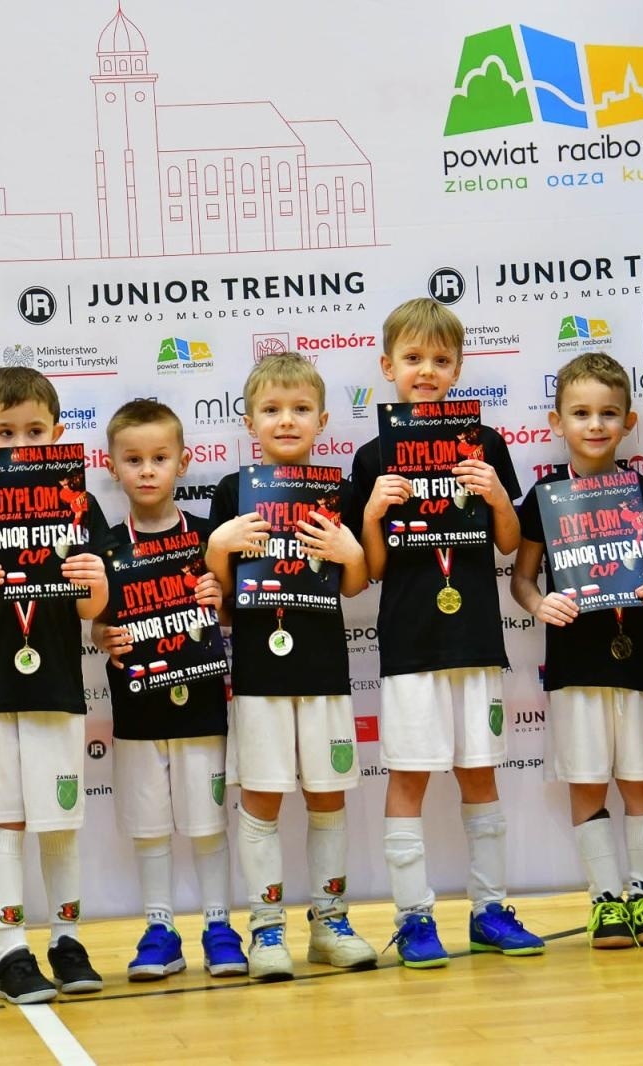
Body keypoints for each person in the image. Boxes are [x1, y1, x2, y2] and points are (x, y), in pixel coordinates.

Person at [345, 297, 544, 968]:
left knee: (480, 775)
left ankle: (489, 911)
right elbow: (368, 571)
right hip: (409, 644)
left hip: (476, 640)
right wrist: (371, 514)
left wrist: (493, 495)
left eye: (439, 360)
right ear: (387, 366)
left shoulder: (484, 445)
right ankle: (413, 918)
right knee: (407, 780)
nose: (425, 370)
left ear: (458, 368)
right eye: (412, 359)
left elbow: (509, 544)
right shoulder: (373, 456)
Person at [0, 367, 112, 1002]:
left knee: (59, 819)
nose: (20, 443)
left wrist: (95, 577)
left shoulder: (80, 505)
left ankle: (67, 940)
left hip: (59, 687)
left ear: (58, 436)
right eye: (5, 433)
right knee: (3, 822)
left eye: (35, 431)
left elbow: (94, 608)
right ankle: (10, 950)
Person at [206, 352, 375, 981]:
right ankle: (267, 928)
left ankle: (330, 922)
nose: (286, 421)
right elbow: (220, 599)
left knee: (327, 795)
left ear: (323, 419)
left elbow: (355, 584)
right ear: (250, 420)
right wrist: (218, 549)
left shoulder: (337, 491)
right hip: (259, 674)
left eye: (300, 410)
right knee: (264, 798)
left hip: (325, 669)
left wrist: (349, 549)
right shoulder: (235, 490)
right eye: (272, 410)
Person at [510, 354, 643, 949]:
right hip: (574, 662)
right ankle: (605, 900)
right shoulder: (545, 495)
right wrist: (538, 606)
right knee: (587, 782)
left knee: (640, 781)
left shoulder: (642, 491)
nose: (595, 425)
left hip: (635, 657)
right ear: (557, 423)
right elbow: (522, 579)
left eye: (608, 413)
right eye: (580, 413)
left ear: (629, 421)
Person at [89, 399, 247, 981]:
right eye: (134, 460)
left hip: (203, 704)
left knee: (208, 822)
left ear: (183, 461)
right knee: (150, 823)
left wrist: (219, 601)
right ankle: (160, 928)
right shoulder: (104, 548)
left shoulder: (210, 539)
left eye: (160, 458)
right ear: (113, 466)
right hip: (136, 709)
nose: (147, 470)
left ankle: (218, 924)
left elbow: (235, 614)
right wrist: (102, 634)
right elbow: (96, 620)